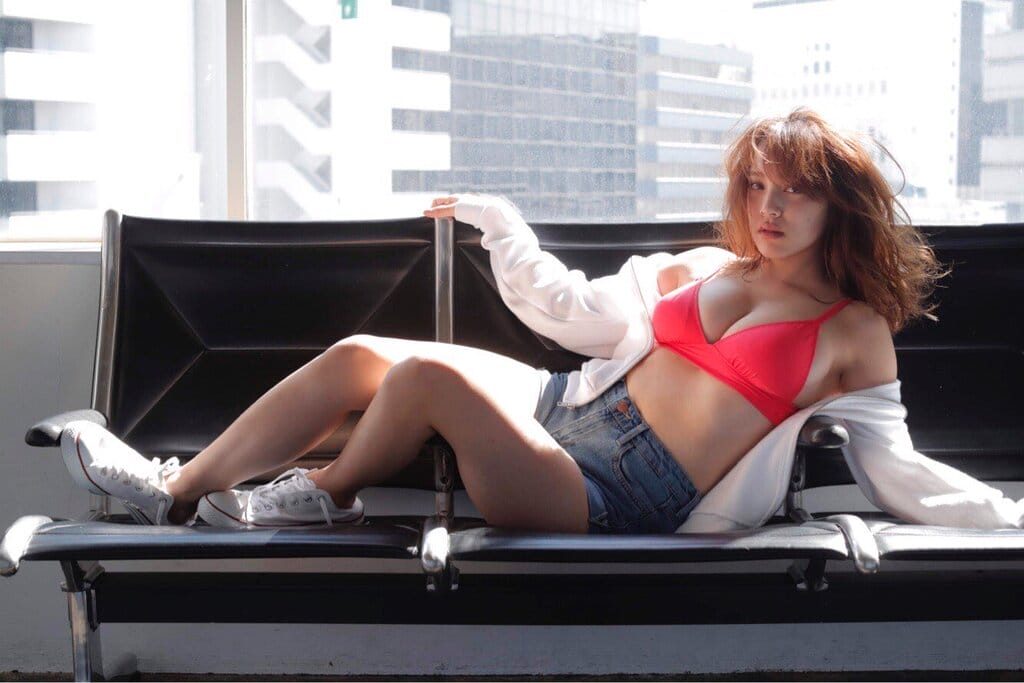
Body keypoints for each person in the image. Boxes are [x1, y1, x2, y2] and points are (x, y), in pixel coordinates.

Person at [59, 108, 1024, 534]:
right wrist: (504, 226)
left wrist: (1008, 514)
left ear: (837, 203)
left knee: (426, 381)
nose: (770, 208)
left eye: (796, 191)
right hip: (566, 403)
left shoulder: (851, 331)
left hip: (613, 492)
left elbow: (898, 468)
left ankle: (326, 492)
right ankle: (172, 490)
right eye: (757, 186)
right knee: (361, 355)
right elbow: (572, 312)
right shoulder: (706, 266)